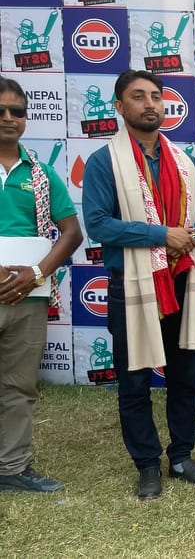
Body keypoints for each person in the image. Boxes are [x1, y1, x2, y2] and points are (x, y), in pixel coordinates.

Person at [82, 69, 195, 500]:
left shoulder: (184, 162)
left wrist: (193, 235)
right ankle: (147, 464)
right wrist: (164, 235)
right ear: (119, 107)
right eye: (138, 96)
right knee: (135, 380)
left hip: (181, 281)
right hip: (133, 287)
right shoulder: (105, 161)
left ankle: (181, 456)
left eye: (156, 97)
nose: (150, 104)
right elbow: (98, 224)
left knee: (186, 376)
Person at [0, 76, 82, 493]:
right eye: (0, 110)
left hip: (27, 297)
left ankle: (11, 468)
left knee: (18, 385)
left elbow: (71, 232)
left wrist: (36, 272)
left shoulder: (42, 174)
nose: (9, 118)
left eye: (17, 111)